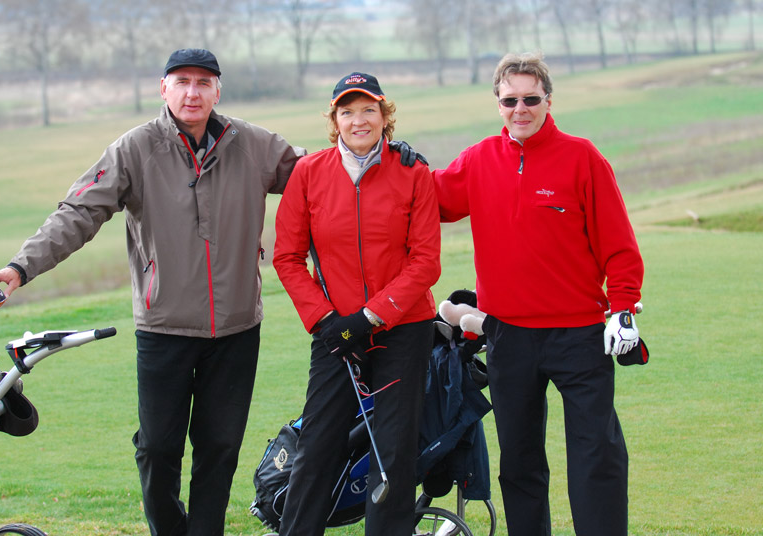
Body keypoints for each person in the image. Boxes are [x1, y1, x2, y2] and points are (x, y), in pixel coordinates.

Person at [0, 48, 307, 536]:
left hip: (237, 329)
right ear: (164, 88)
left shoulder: (254, 145)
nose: (192, 92)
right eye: (182, 82)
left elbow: (322, 179)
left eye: (203, 82)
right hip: (163, 328)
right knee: (157, 447)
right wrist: (19, 268)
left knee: (219, 449)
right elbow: (78, 213)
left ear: (218, 90)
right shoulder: (135, 149)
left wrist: (387, 157)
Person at [433, 52, 644, 536]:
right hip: (509, 335)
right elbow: (432, 199)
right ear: (498, 103)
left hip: (581, 335)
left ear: (549, 100)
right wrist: (397, 164)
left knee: (597, 454)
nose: (520, 109)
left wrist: (624, 309)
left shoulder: (583, 157)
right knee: (521, 462)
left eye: (531, 99)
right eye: (510, 100)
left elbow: (619, 247)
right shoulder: (480, 159)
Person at [272, 72, 441, 536]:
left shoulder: (413, 172)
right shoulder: (308, 175)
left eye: (369, 109)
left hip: (402, 329)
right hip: (334, 331)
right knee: (318, 443)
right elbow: (287, 257)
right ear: (334, 120)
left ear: (386, 116)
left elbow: (426, 263)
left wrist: (369, 318)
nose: (358, 120)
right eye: (347, 111)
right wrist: (327, 321)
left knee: (392, 449)